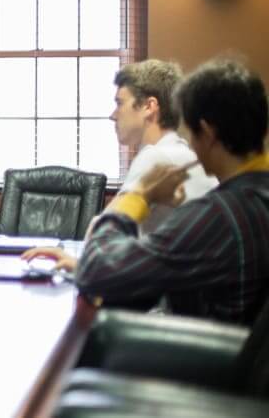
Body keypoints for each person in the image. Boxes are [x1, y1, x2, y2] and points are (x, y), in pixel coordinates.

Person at [73, 58, 269, 324]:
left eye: (191, 132)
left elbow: (96, 271)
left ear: (208, 134)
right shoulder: (256, 194)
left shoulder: (218, 214)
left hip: (211, 357)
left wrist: (139, 195)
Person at [22, 59, 217, 270]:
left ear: (149, 107)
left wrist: (76, 264)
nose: (113, 115)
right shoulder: (183, 155)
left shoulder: (156, 158)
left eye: (119, 103)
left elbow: (97, 237)